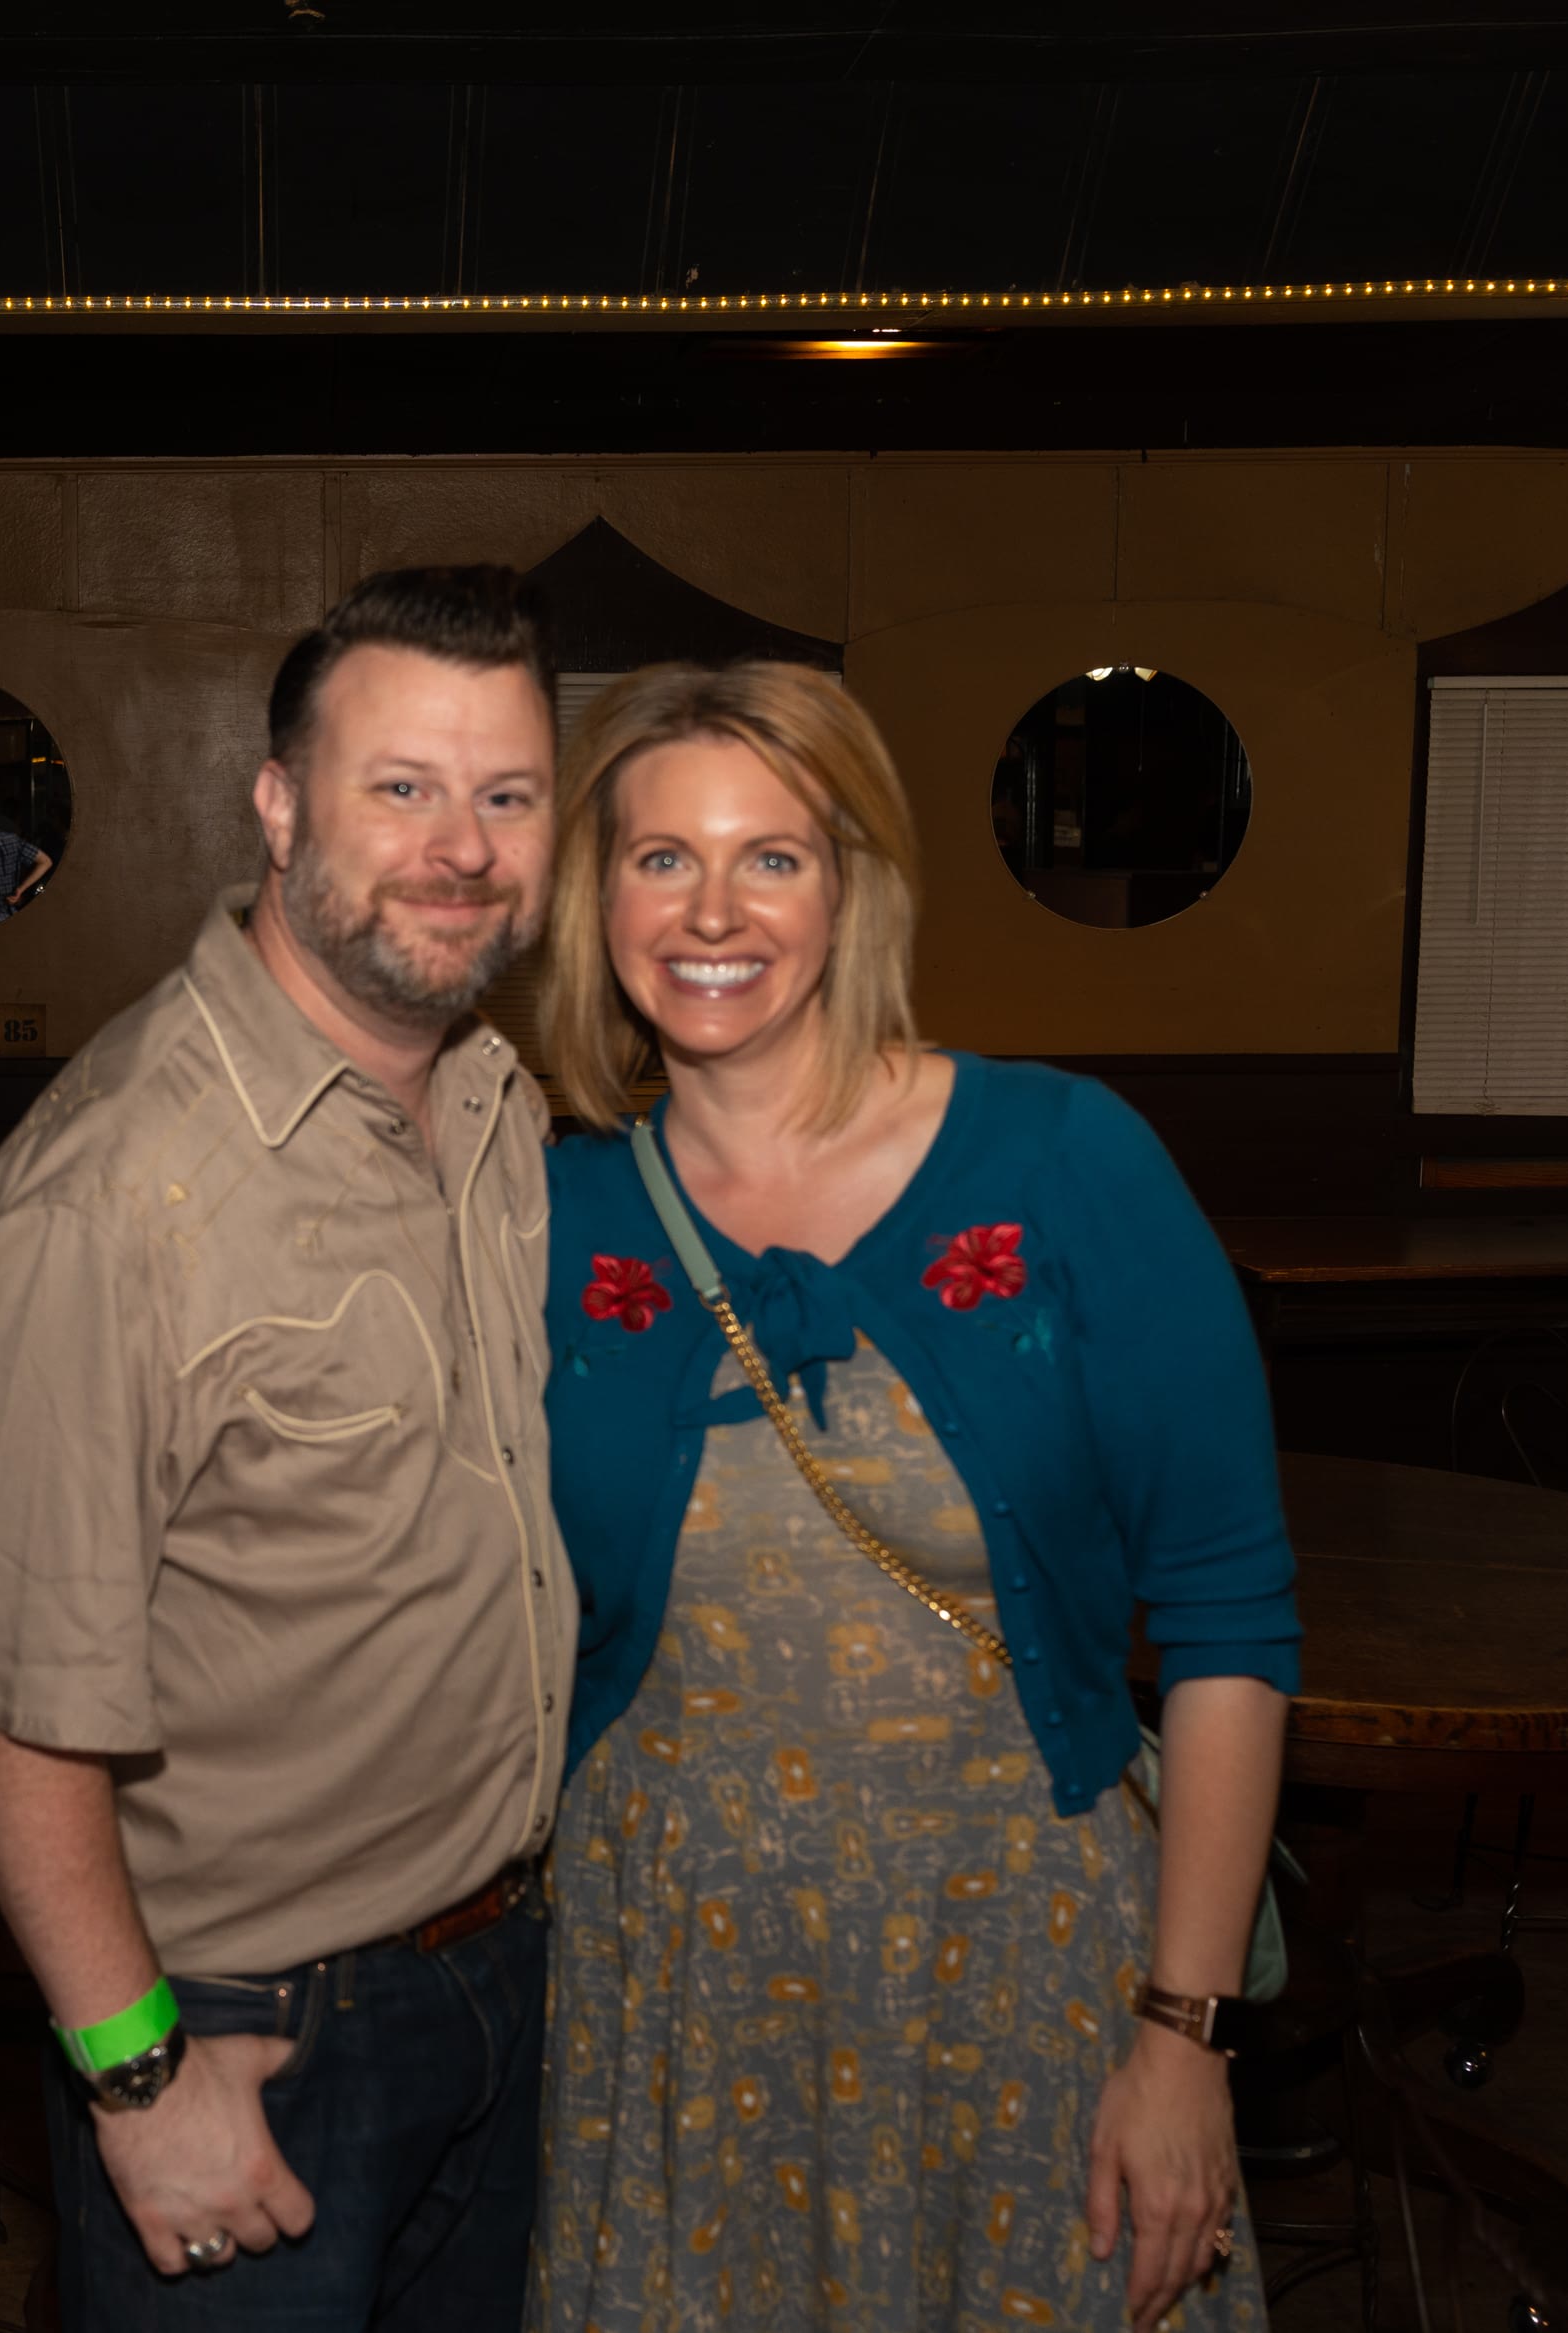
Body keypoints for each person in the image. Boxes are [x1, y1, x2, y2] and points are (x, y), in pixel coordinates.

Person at [527, 662, 1296, 2333]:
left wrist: (1187, 2034)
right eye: (661, 858)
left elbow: (1230, 1616)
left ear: (853, 884)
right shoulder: (548, 1213)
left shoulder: (1066, 1160)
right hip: (680, 1975)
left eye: (771, 856)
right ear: (598, 899)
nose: (711, 911)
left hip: (1017, 1956)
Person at [0, 567, 575, 2330]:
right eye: (401, 786)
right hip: (250, 2034)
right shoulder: (114, 1188)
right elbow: (6, 1701)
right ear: (280, 803)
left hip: (498, 1970)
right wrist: (136, 2075)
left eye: (507, 795)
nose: (462, 847)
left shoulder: (498, 1105)